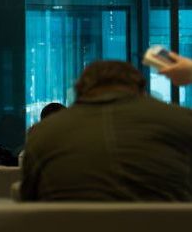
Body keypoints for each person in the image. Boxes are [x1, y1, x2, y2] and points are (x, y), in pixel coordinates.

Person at [20, 60, 192, 201]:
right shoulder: (182, 120)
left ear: (81, 91)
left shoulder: (42, 133)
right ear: (140, 88)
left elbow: (29, 201)